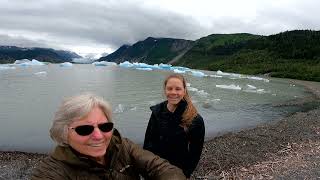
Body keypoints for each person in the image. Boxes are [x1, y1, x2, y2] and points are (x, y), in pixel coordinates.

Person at [32, 93, 186, 180]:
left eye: (105, 126)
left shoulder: (122, 146)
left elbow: (160, 167)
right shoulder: (52, 171)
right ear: (64, 133)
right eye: (85, 129)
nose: (99, 136)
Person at [143, 74, 205, 178]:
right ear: (165, 90)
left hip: (176, 172)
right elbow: (148, 141)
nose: (173, 92)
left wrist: (185, 173)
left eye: (178, 89)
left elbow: (195, 152)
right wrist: (146, 167)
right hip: (154, 168)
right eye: (169, 88)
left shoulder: (194, 119)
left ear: (184, 91)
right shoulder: (157, 112)